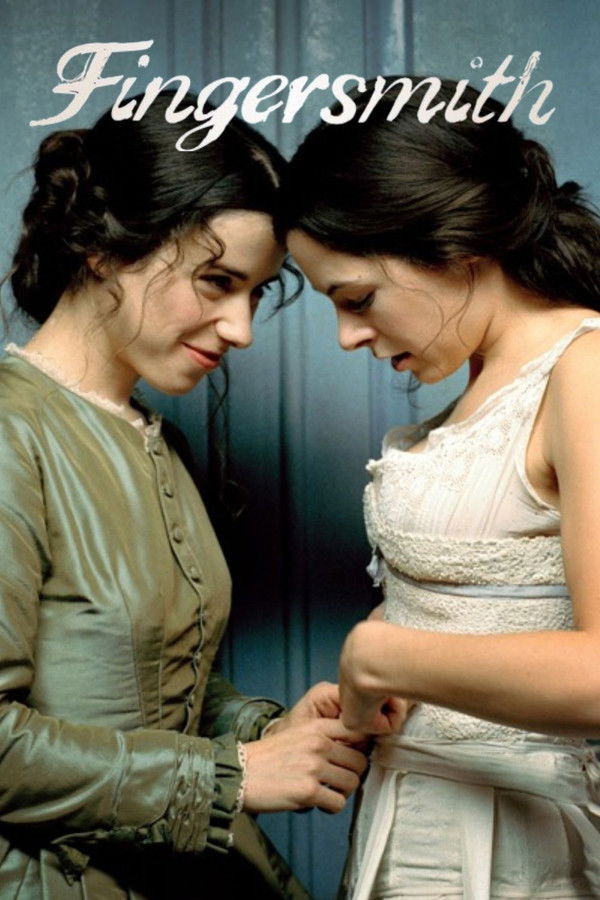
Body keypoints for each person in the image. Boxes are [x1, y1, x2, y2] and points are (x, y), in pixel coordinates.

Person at [0, 92, 368, 899]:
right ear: (102, 247)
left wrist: (266, 731)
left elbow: (151, 688)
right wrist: (232, 777)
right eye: (216, 281)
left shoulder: (159, 442)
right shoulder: (9, 430)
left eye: (256, 293)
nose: (241, 329)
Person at [279, 77, 600, 899]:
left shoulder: (586, 371)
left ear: (454, 247)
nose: (347, 335)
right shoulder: (485, 383)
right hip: (406, 822)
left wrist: (382, 653)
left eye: (357, 299)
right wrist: (382, 662)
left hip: (518, 849)